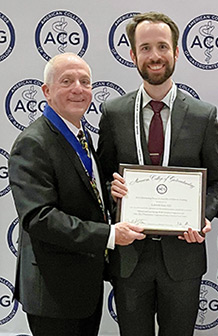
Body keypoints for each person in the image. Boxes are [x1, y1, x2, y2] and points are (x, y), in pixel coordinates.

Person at [97, 12, 218, 336]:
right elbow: (100, 178)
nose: (154, 56)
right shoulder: (113, 113)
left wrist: (203, 215)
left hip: (182, 258)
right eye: (145, 48)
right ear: (132, 55)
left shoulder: (203, 116)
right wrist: (113, 193)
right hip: (129, 258)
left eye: (162, 47)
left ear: (176, 52)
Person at [8, 52, 145, 336]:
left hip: (83, 286)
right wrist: (109, 235)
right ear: (46, 91)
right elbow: (39, 217)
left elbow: (83, 193)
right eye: (67, 81)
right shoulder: (34, 143)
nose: (78, 89)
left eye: (85, 81)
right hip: (53, 292)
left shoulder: (80, 134)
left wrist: (111, 192)